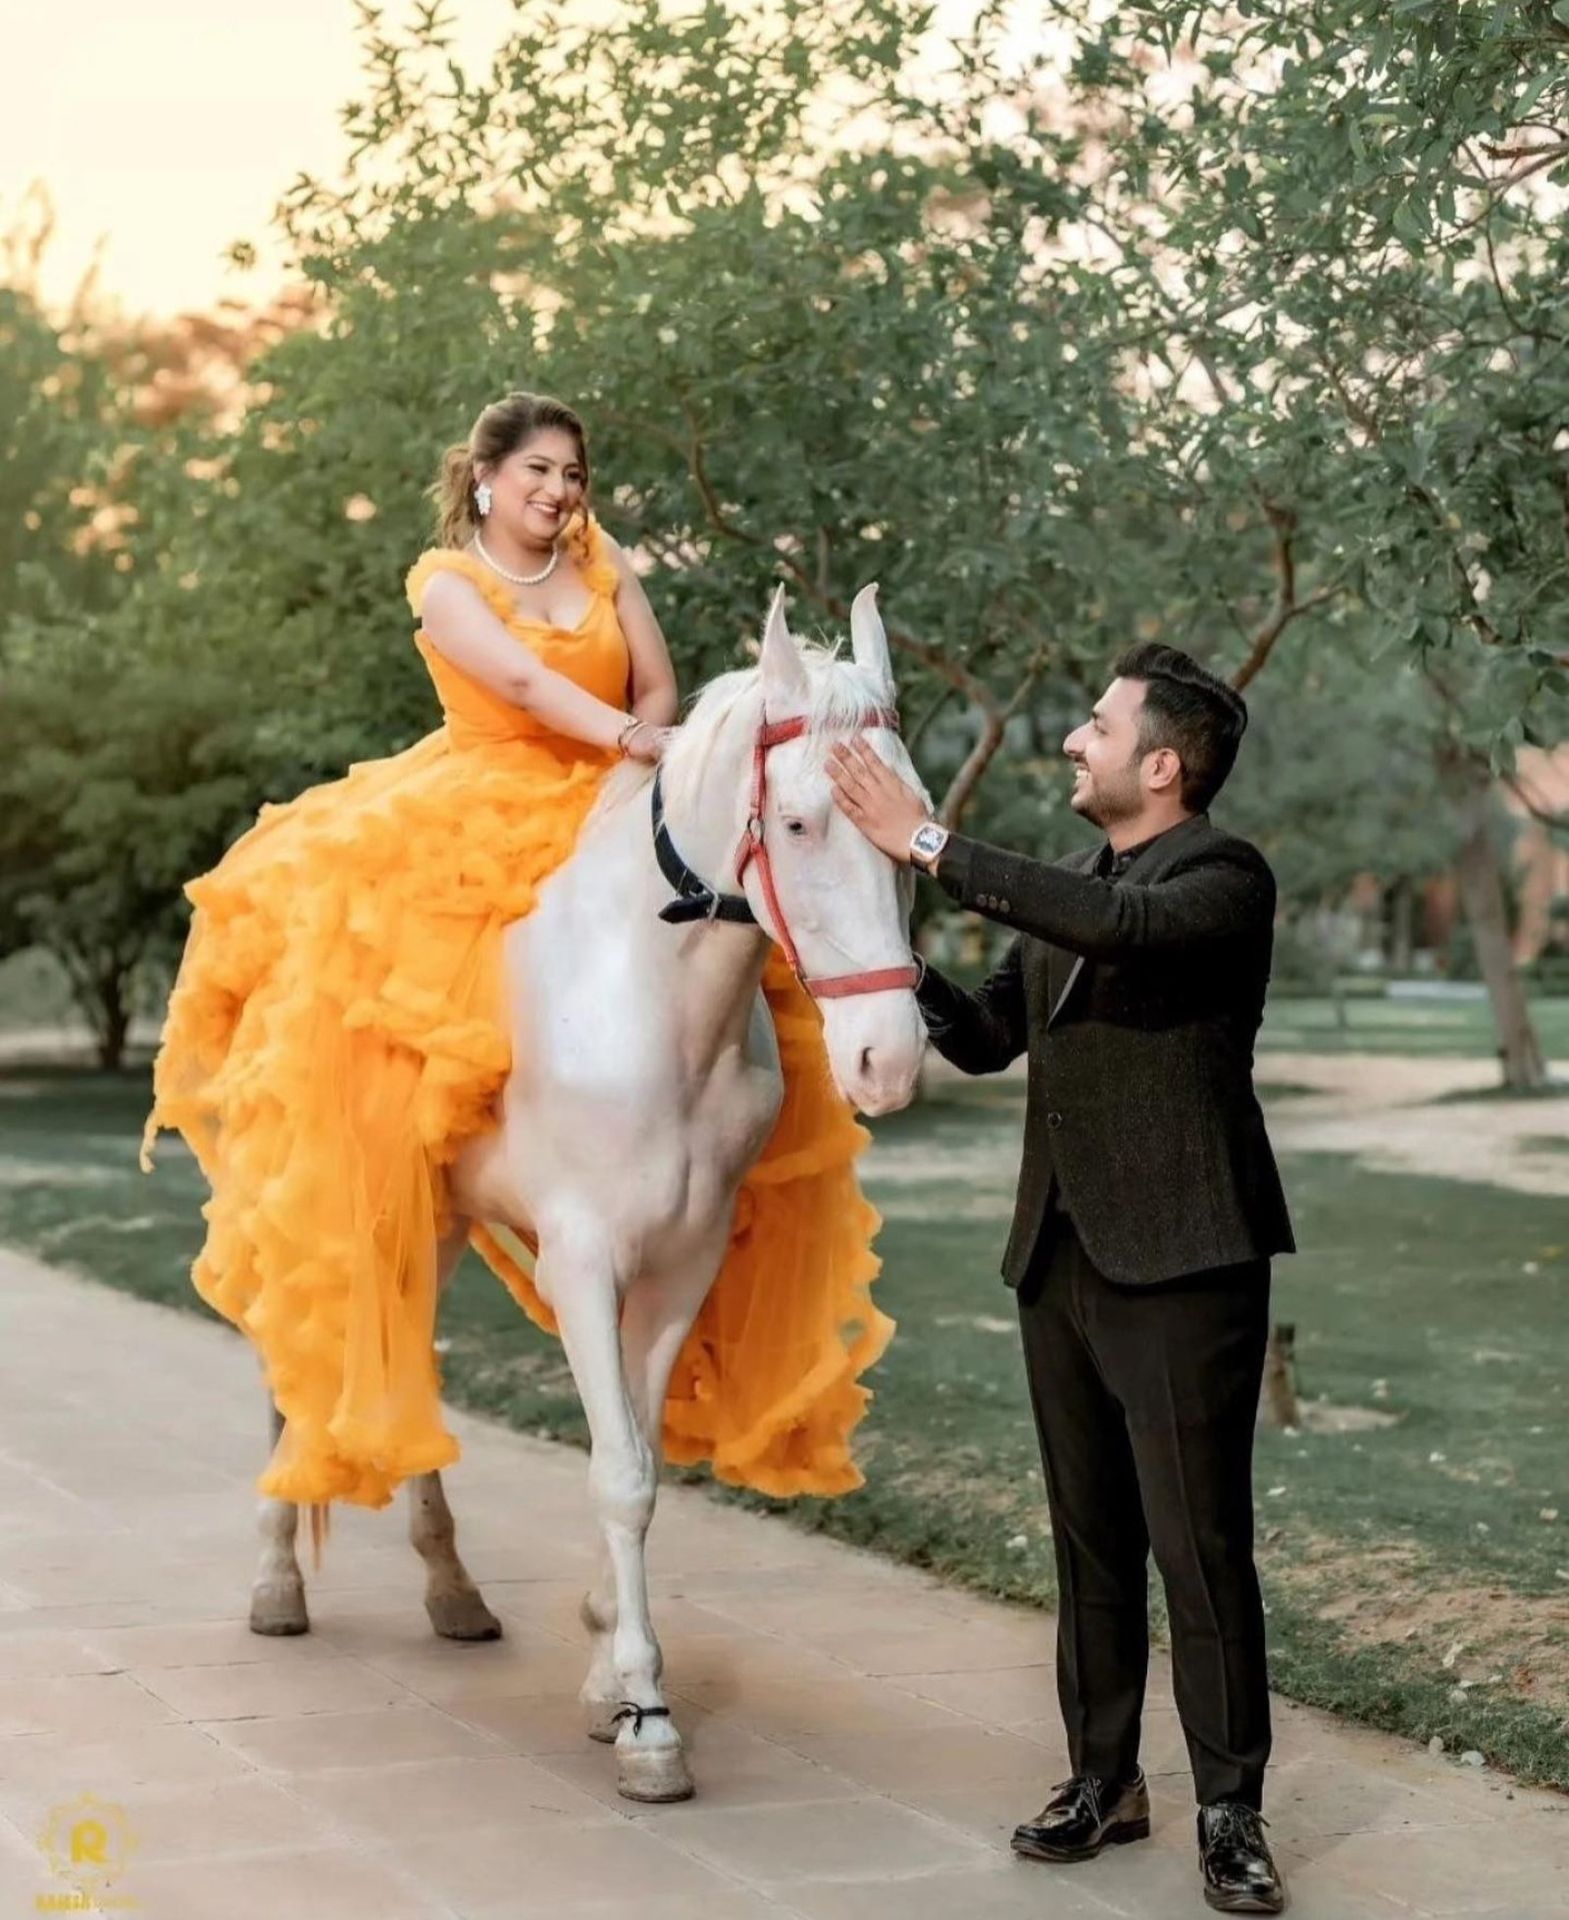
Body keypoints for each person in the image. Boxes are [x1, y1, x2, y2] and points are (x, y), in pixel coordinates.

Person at [142, 390, 891, 1514]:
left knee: (732, 939)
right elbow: (531, 687)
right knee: (414, 989)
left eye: (573, 473)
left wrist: (641, 755)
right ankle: (437, 1147)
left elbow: (657, 682)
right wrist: (633, 737)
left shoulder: (603, 562)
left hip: (618, 791)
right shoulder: (447, 582)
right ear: (487, 477)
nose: (558, 491)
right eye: (538, 470)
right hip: (479, 803)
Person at [828, 645, 1293, 1916]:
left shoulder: (1222, 878)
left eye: (1098, 725)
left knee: (1200, 1547)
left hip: (1186, 1257)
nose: (1075, 742)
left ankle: (1233, 1811)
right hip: (1060, 1257)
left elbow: (1126, 933)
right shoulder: (1078, 882)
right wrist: (878, 955)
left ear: (1164, 764)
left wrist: (927, 841)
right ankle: (1103, 1781)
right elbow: (987, 1038)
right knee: (1091, 1542)